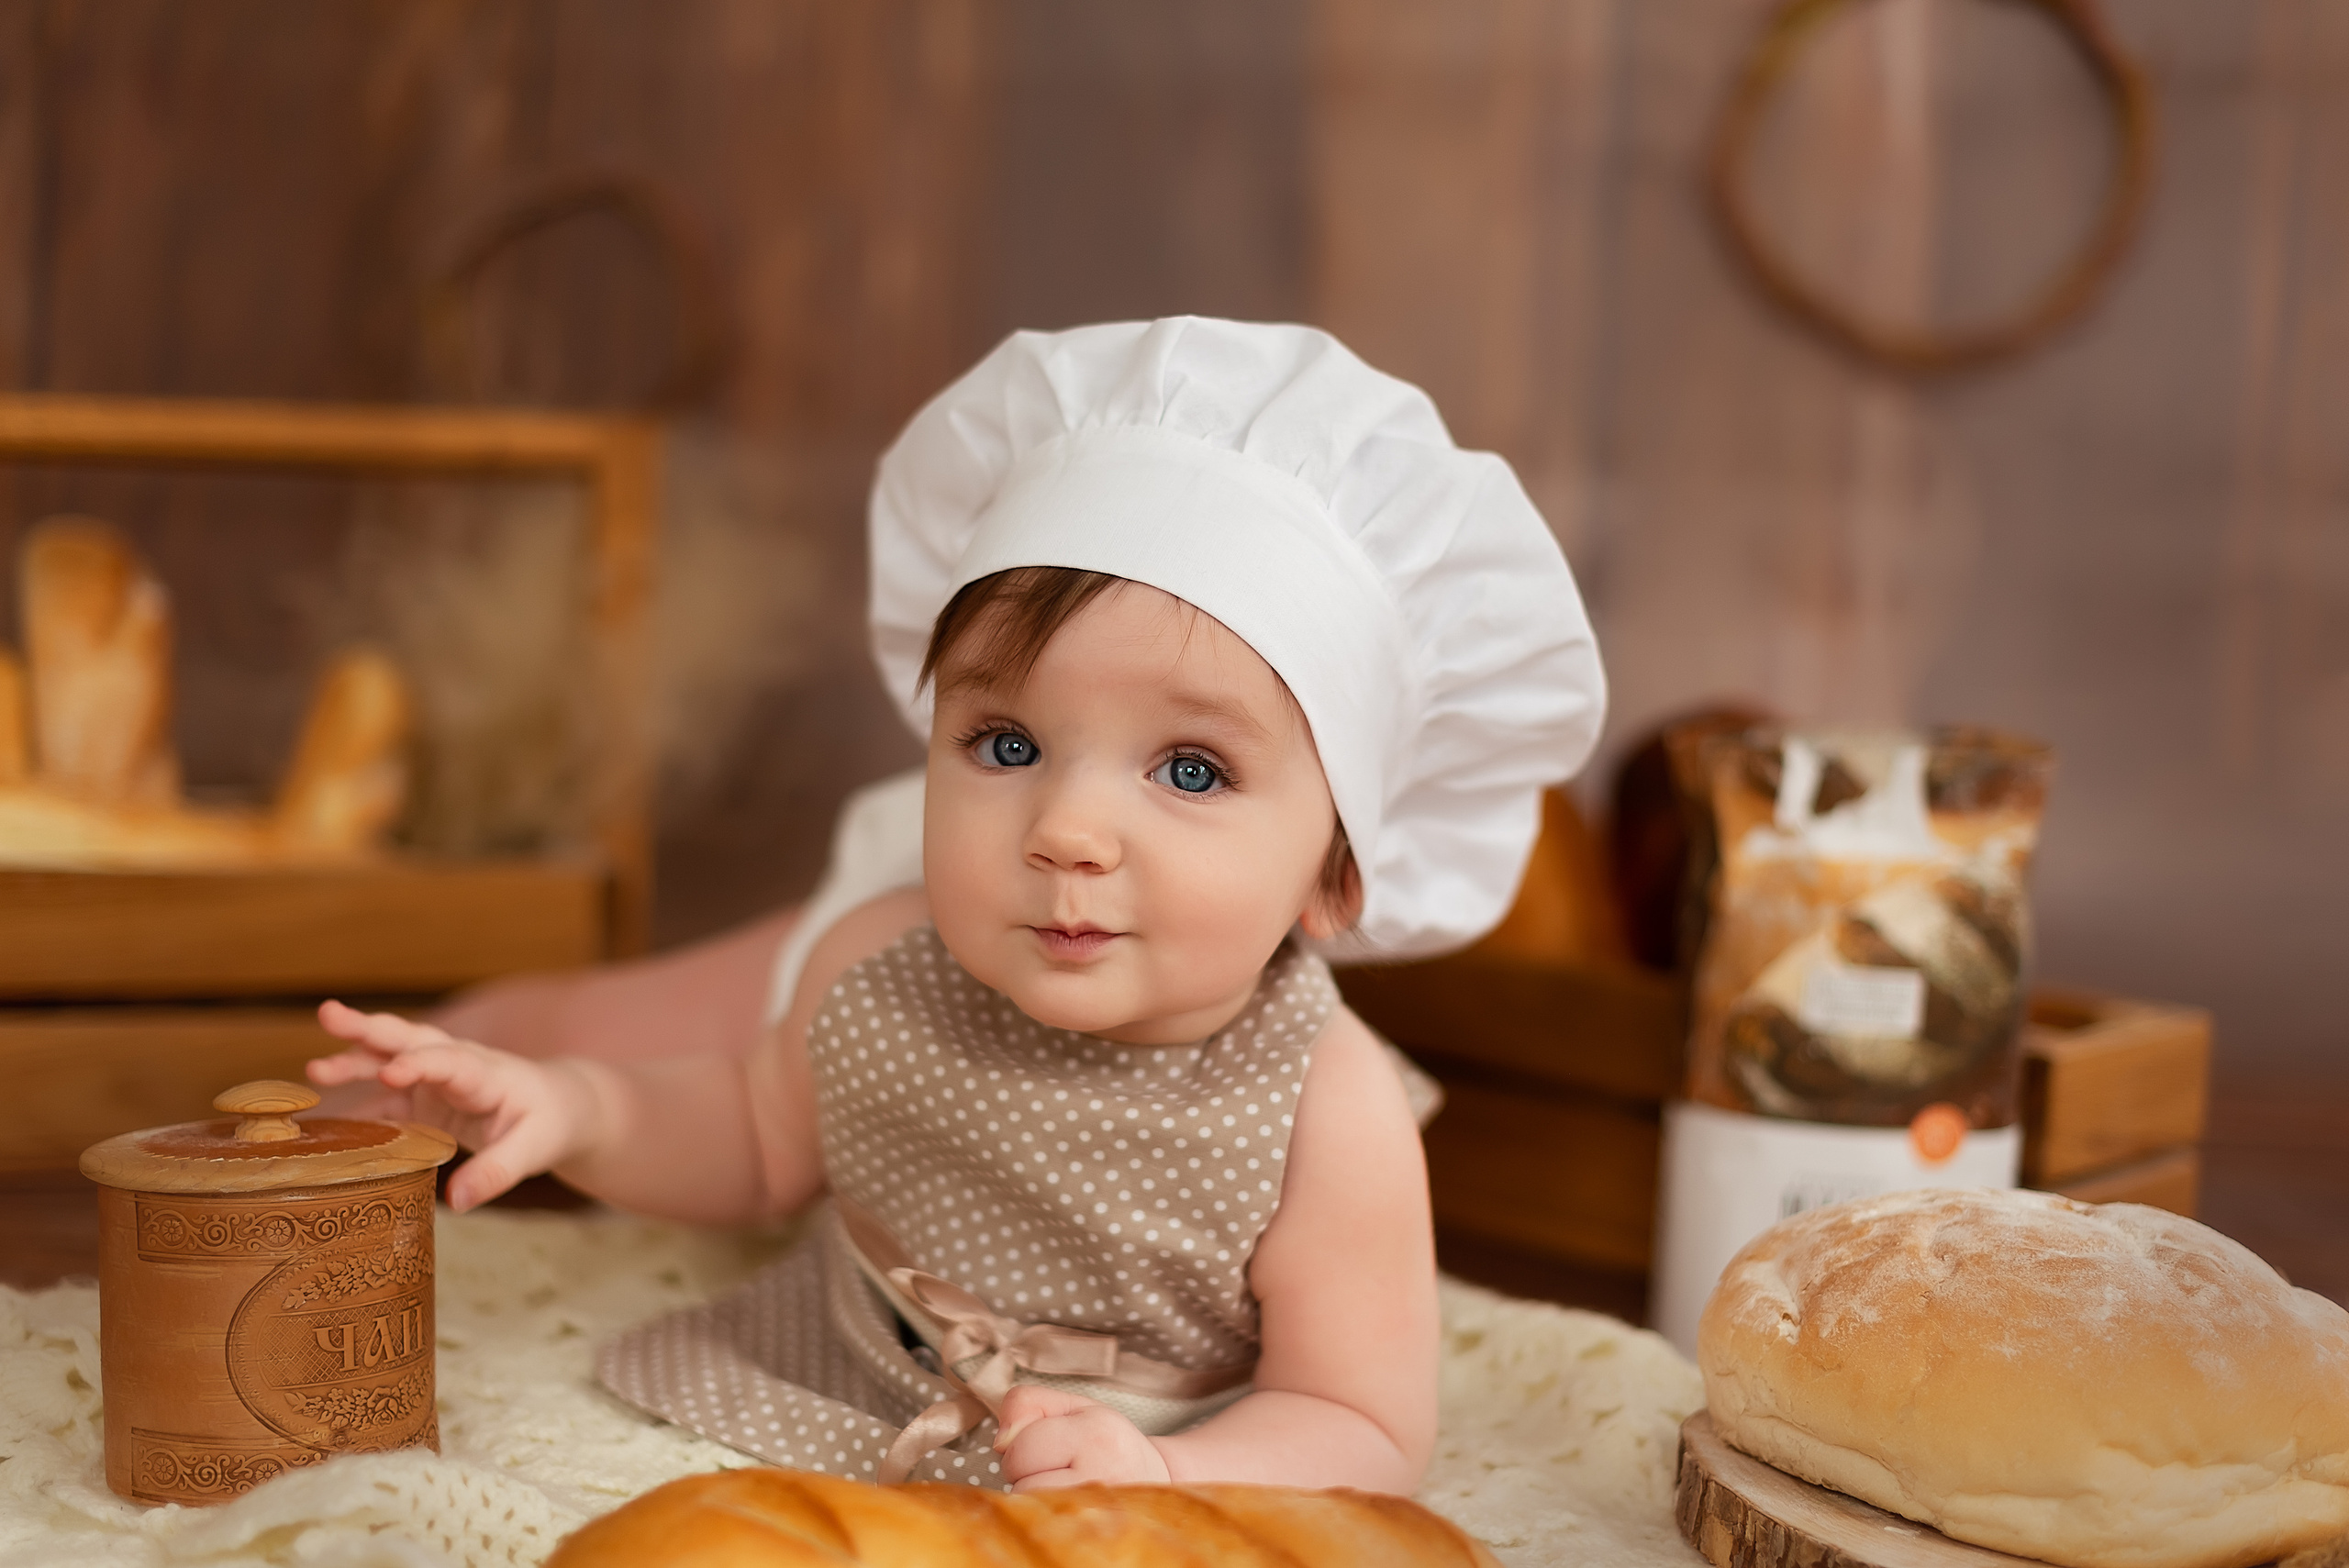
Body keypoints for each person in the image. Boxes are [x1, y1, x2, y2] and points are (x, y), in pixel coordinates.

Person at [307, 317, 1605, 1496]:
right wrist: (581, 1105)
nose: (1067, 831)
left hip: (1145, 1478)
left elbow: (1362, 1420)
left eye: (1192, 769)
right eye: (1004, 743)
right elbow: (757, 1135)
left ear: (1335, 874)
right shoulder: (880, 966)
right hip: (827, 1387)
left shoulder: (1327, 1106)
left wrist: (1159, 1468)